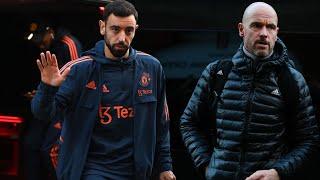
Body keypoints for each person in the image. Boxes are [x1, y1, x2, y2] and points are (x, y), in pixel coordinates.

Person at [31, 0, 175, 180]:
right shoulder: (79, 69)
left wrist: (165, 166)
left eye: (129, 31)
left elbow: (162, 123)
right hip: (89, 169)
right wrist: (47, 88)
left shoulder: (152, 68)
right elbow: (44, 114)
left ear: (136, 29)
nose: (122, 38)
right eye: (115, 29)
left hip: (137, 170)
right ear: (102, 27)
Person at [180, 2, 320, 180]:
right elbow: (189, 122)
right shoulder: (217, 73)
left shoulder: (291, 80)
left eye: (270, 27)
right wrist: (207, 166)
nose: (264, 33)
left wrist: (278, 172)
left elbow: (308, 139)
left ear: (277, 32)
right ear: (241, 29)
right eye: (256, 25)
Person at [22, 22, 83, 180]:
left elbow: (77, 81)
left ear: (50, 31)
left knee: (50, 151)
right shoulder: (47, 48)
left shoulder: (68, 44)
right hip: (48, 104)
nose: (40, 44)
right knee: (31, 144)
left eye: (42, 39)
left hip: (64, 109)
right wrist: (41, 93)